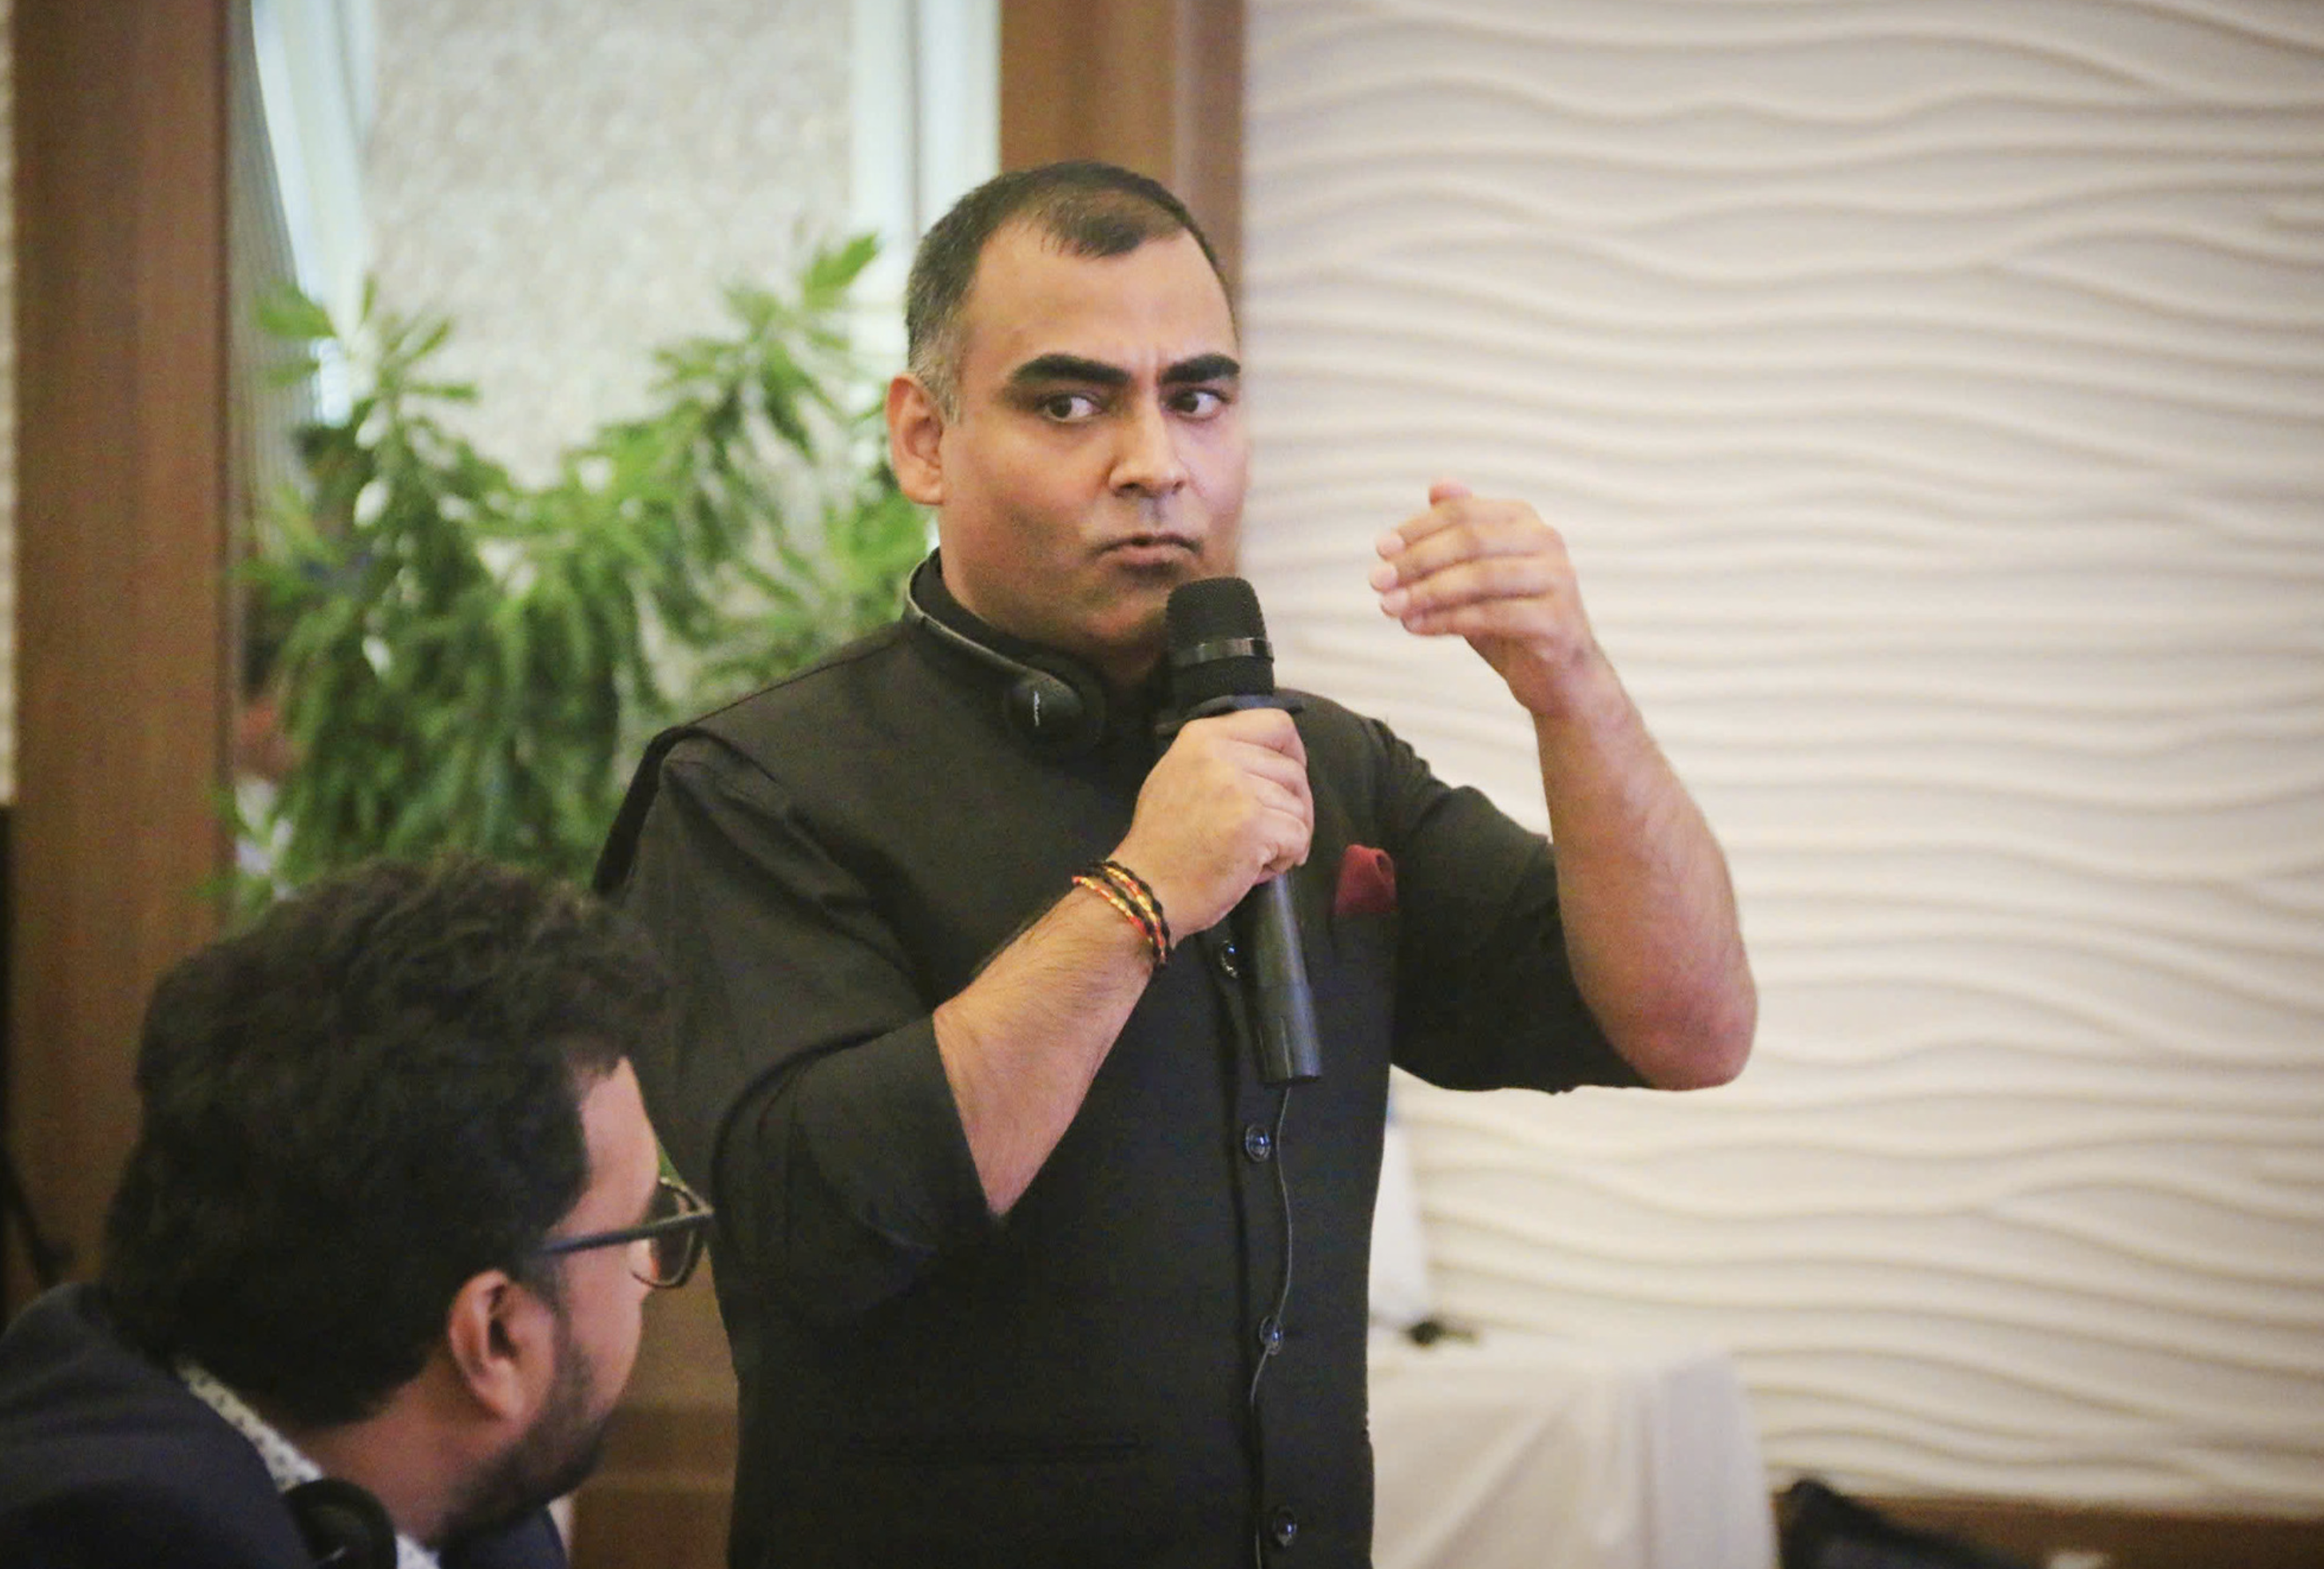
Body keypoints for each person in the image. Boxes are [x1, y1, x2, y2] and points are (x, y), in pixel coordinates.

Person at [597, 160, 1755, 1567]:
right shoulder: (758, 789)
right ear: (923, 438)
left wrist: (1572, 685)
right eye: (1070, 402)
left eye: (1197, 396)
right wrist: (1140, 895)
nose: (1157, 461)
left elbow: (1689, 1026)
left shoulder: (1323, 766)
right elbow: (819, 1227)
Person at [0, 857, 708, 1569]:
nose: (647, 1276)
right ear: (494, 1334)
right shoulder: (102, 1538)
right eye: (646, 1234)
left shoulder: (457, 1511)